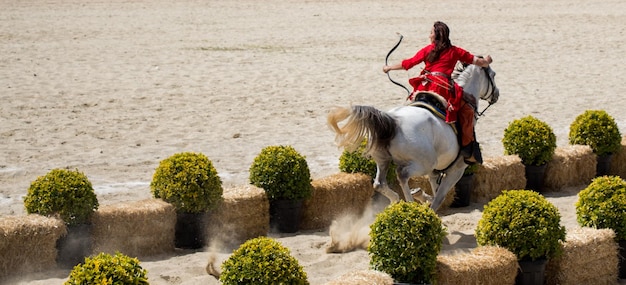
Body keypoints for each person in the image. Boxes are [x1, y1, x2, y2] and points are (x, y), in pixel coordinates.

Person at [382, 21, 492, 163]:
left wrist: (389, 67)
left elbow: (408, 64)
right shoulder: (456, 51)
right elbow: (480, 63)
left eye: (431, 33)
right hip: (443, 88)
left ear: (436, 36)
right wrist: (487, 60)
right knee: (467, 111)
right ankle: (467, 149)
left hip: (424, 86)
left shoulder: (428, 50)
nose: (429, 36)